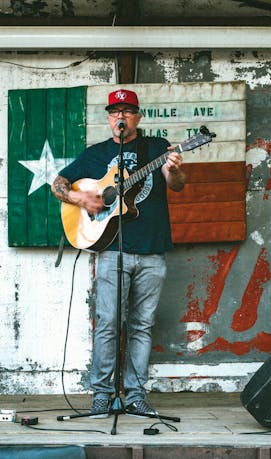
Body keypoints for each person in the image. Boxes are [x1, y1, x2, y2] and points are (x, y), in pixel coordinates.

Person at [51, 89, 186, 418]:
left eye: (127, 111)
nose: (120, 117)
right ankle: (102, 394)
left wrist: (176, 168)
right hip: (111, 249)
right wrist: (81, 199)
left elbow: (177, 184)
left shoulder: (156, 148)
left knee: (141, 325)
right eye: (115, 112)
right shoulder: (95, 154)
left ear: (138, 117)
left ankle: (136, 395)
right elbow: (58, 183)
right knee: (108, 323)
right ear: (109, 117)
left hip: (153, 248)